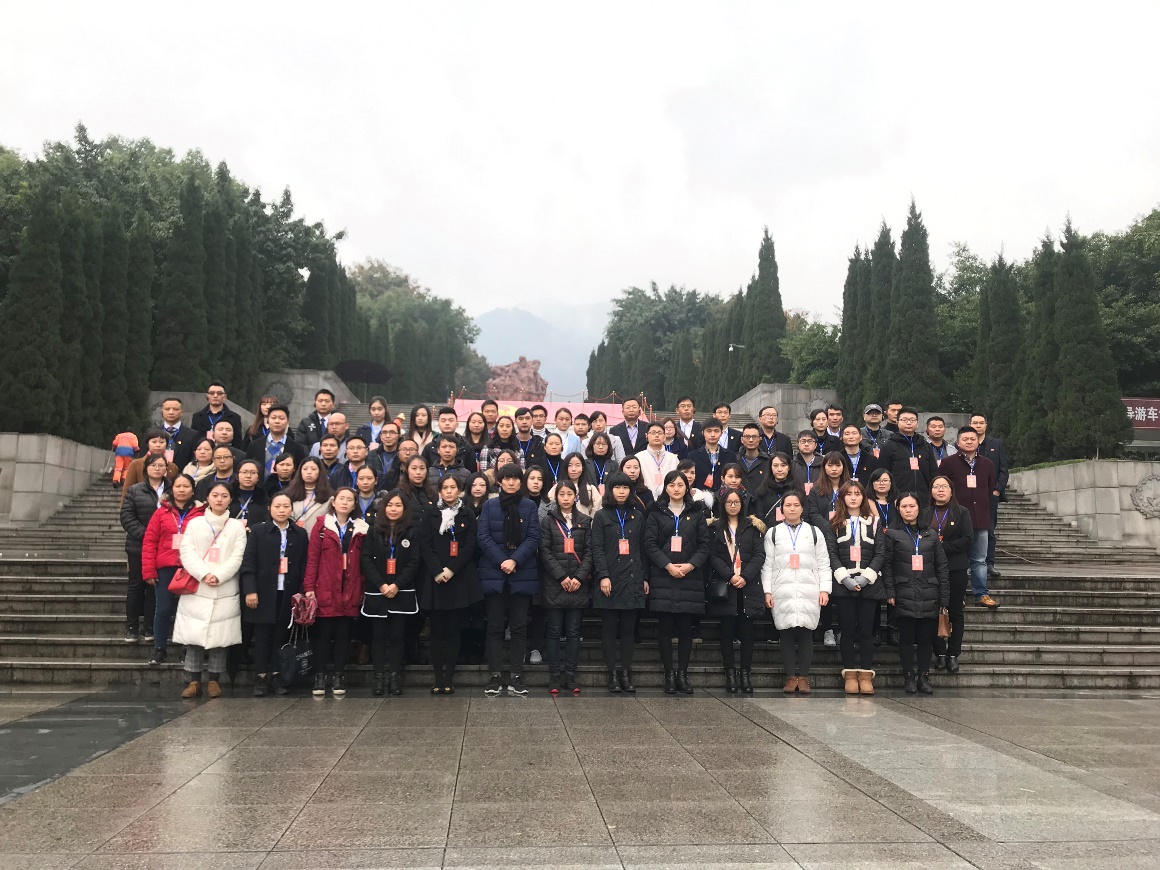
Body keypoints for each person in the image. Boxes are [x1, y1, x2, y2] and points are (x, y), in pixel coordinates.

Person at [175, 481, 247, 698]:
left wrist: (220, 575)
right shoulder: (195, 523)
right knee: (194, 637)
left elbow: (237, 556)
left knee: (220, 638)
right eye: (215, 495)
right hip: (198, 585)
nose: (219, 499)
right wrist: (204, 574)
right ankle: (194, 680)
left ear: (230, 499)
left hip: (224, 586)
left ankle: (214, 680)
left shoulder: (236, 526)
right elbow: (187, 552)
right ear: (207, 498)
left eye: (224, 496)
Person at [644, 470, 711, 695]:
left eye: (680, 485)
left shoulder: (697, 512)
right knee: (665, 628)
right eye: (672, 485)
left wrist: (690, 566)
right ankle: (669, 675)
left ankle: (682, 674)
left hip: (689, 577)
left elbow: (704, 545)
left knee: (685, 629)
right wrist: (668, 566)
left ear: (686, 488)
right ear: (666, 488)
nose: (676, 489)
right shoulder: (656, 512)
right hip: (663, 576)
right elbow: (650, 544)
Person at [477, 464, 541, 696]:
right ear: (499, 481)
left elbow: (533, 537)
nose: (511, 482)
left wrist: (514, 560)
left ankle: (516, 675)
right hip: (494, 573)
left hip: (521, 573)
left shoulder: (529, 506)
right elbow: (483, 536)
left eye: (515, 478)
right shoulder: (489, 505)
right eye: (507, 478)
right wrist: (502, 560)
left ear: (520, 482)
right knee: (494, 626)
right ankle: (495, 675)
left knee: (519, 627)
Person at [418, 474, 482, 694]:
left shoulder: (467, 514)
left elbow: (470, 546)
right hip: (435, 578)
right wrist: (437, 570)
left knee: (454, 630)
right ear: (439, 491)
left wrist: (451, 570)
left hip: (459, 577)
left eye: (452, 487)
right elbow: (425, 544)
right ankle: (438, 678)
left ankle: (449, 678)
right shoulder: (430, 513)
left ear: (459, 490)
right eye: (444, 487)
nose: (448, 491)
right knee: (437, 630)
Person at [762, 491, 831, 694]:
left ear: (802, 508)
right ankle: (791, 677)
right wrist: (767, 591)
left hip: (809, 588)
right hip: (782, 588)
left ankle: (804, 677)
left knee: (806, 633)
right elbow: (768, 565)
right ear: (782, 509)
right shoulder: (773, 533)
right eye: (788, 505)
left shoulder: (815, 532)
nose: (792, 508)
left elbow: (823, 563)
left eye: (796, 505)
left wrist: (825, 589)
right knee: (786, 633)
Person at [882, 492, 950, 695]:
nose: (908, 510)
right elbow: (887, 566)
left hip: (929, 592)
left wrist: (944, 598)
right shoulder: (892, 534)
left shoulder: (930, 534)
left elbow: (942, 567)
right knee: (906, 639)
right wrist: (890, 591)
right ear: (898, 510)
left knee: (925, 639)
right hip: (903, 592)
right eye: (904, 507)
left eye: (912, 506)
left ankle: (923, 676)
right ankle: (909, 676)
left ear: (919, 508)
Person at [241, 492, 308, 696]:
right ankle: (261, 677)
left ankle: (277, 675)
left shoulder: (299, 533)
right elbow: (249, 563)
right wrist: (250, 590)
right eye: (277, 506)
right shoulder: (258, 531)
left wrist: (302, 593)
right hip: (262, 591)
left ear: (291, 509)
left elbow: (304, 566)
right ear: (270, 508)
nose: (281, 510)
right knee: (262, 636)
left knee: (281, 635)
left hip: (288, 592)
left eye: (286, 506)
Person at [303, 487, 367, 697]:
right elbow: (312, 558)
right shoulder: (322, 526)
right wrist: (309, 587)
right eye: (342, 499)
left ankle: (339, 675)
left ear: (354, 504)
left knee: (343, 635)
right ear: (333, 502)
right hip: (325, 587)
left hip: (350, 588)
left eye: (350, 499)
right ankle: (320, 676)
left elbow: (364, 563)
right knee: (323, 635)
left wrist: (362, 587)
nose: (345, 502)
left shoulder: (361, 528)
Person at [827, 481, 886, 694]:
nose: (853, 497)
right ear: (842, 497)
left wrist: (866, 577)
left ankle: (866, 674)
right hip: (844, 586)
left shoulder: (875, 521)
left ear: (863, 497)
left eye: (857, 494)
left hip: (869, 585)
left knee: (866, 631)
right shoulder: (834, 522)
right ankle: (850, 674)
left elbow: (880, 553)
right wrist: (845, 578)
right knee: (847, 630)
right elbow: (831, 553)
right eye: (849, 494)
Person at [590, 472, 647, 693]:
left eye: (625, 487)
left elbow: (643, 549)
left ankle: (625, 672)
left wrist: (645, 577)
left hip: (633, 577)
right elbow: (597, 548)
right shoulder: (601, 516)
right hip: (610, 579)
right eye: (617, 487)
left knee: (628, 629)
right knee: (609, 628)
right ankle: (612, 673)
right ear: (610, 490)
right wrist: (603, 575)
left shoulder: (637, 515)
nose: (621, 491)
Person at [706, 488, 767, 693]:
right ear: (723, 504)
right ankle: (730, 674)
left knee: (747, 633)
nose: (733, 506)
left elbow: (759, 555)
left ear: (742, 504)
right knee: (726, 632)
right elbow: (713, 556)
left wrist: (745, 576)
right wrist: (730, 575)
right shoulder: (715, 528)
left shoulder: (752, 527)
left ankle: (745, 674)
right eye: (729, 502)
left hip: (747, 586)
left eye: (736, 502)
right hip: (727, 586)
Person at [140, 473, 203, 665]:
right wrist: (149, 570)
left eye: (186, 486)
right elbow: (150, 541)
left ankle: (188, 648)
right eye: (178, 486)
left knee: (189, 610)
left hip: (191, 568)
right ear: (172, 489)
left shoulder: (201, 513)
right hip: (166, 567)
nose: (182, 490)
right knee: (163, 609)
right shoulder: (161, 512)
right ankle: (159, 648)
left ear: (193, 490)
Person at [361, 490, 419, 696]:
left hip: (401, 591)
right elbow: (366, 559)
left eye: (398, 505)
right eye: (390, 505)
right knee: (378, 636)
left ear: (405, 509)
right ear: (383, 508)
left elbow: (414, 561)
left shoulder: (412, 531)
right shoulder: (373, 530)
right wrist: (381, 585)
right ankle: (379, 676)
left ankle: (394, 676)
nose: (393, 509)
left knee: (397, 636)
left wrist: (397, 585)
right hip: (378, 591)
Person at [539, 479, 593, 694]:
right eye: (562, 494)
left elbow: (590, 551)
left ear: (575, 496)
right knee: (553, 631)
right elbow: (544, 551)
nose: (565, 498)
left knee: (573, 631)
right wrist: (561, 576)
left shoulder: (585, 521)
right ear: (556, 497)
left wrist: (579, 577)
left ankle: (570, 675)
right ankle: (554, 676)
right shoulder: (548, 521)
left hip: (578, 585)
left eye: (569, 494)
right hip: (555, 584)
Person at [943, 426, 999, 608]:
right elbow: (941, 487)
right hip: (956, 519)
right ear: (958, 442)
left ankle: (981, 594)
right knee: (956, 560)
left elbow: (989, 489)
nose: (969, 442)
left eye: (972, 439)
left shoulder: (987, 464)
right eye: (965, 439)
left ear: (978, 442)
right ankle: (956, 596)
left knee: (980, 560)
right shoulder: (948, 463)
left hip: (980, 518)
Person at [925, 475, 973, 675]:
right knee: (933, 611)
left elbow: (967, 539)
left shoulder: (962, 512)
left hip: (956, 568)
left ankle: (953, 653)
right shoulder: (925, 513)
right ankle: (939, 652)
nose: (940, 490)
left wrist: (942, 547)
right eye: (936, 486)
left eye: (944, 486)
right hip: (930, 569)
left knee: (955, 612)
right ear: (931, 491)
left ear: (951, 491)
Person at [120, 453, 170, 643]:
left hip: (163, 547)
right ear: (146, 468)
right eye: (153, 465)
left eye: (161, 465)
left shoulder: (173, 489)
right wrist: (148, 535)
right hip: (138, 546)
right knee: (136, 586)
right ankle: (131, 627)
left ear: (166, 469)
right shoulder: (135, 490)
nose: (157, 469)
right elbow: (126, 517)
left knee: (154, 587)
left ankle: (149, 626)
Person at [971, 412, 1009, 580]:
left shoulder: (996, 444)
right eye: (975, 423)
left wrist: (997, 491)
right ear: (970, 424)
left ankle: (989, 563)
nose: (978, 426)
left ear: (986, 425)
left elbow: (1003, 469)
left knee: (989, 529)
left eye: (981, 423)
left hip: (989, 495)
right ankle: (970, 562)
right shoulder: (963, 443)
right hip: (969, 494)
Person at [877, 406, 939, 507]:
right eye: (904, 420)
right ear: (897, 422)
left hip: (923, 501)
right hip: (898, 500)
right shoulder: (889, 446)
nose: (909, 423)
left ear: (917, 423)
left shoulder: (925, 445)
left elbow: (933, 473)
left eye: (912, 420)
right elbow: (882, 473)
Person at [119, 428, 179, 505]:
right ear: (148, 443)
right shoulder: (136, 464)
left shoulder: (172, 467)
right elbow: (127, 489)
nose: (158, 445)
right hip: (140, 506)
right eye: (154, 442)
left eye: (162, 442)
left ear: (166, 444)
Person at [246, 404, 305, 475]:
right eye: (273, 418)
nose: (277, 421)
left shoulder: (297, 448)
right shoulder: (254, 446)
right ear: (268, 420)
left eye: (281, 418)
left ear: (288, 422)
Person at [421, 406, 478, 473]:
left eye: (451, 420)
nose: (447, 423)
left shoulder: (466, 447)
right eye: (443, 420)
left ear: (457, 424)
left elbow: (472, 473)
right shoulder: (429, 448)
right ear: (438, 424)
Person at [285, 457, 334, 535]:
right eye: (305, 469)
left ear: (320, 472)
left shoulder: (329, 498)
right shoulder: (289, 494)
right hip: (292, 538)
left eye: (313, 469)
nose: (309, 472)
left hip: (315, 538)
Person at [687, 419, 738, 491]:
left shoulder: (731, 455)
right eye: (709, 431)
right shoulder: (693, 455)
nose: (713, 435)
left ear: (721, 433)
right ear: (703, 433)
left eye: (716, 431)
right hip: (700, 495)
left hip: (724, 495)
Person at [548, 452, 602, 518]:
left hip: (584, 523)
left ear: (583, 467)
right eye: (570, 465)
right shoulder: (557, 487)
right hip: (561, 523)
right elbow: (549, 506)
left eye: (577, 465)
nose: (573, 469)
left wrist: (590, 521)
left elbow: (597, 508)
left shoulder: (590, 489)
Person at [635, 422, 680, 499]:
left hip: (669, 499)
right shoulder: (638, 458)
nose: (656, 435)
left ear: (664, 437)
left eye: (660, 433)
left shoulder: (673, 458)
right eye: (653, 433)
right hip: (645, 499)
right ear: (646, 436)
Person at [158, 396, 200, 470]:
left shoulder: (192, 435)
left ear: (181, 412)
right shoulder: (152, 433)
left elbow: (194, 460)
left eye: (175, 409)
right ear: (162, 412)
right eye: (167, 409)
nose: (171, 412)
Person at [753, 452, 795, 526]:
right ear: (771, 468)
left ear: (789, 467)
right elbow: (759, 515)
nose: (779, 469)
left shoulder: (797, 490)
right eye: (775, 465)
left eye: (783, 465)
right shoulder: (762, 491)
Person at [230, 460, 270, 528]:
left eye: (253, 473)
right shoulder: (228, 495)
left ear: (258, 477)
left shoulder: (263, 498)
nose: (248, 476)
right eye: (244, 472)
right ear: (237, 475)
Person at [840, 423, 878, 487]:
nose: (851, 436)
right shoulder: (838, 458)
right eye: (847, 434)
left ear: (860, 437)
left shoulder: (871, 459)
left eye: (854, 433)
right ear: (842, 438)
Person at [737, 424, 769, 493]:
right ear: (742, 439)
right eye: (747, 437)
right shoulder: (735, 459)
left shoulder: (768, 461)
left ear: (760, 439)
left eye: (754, 437)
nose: (751, 440)